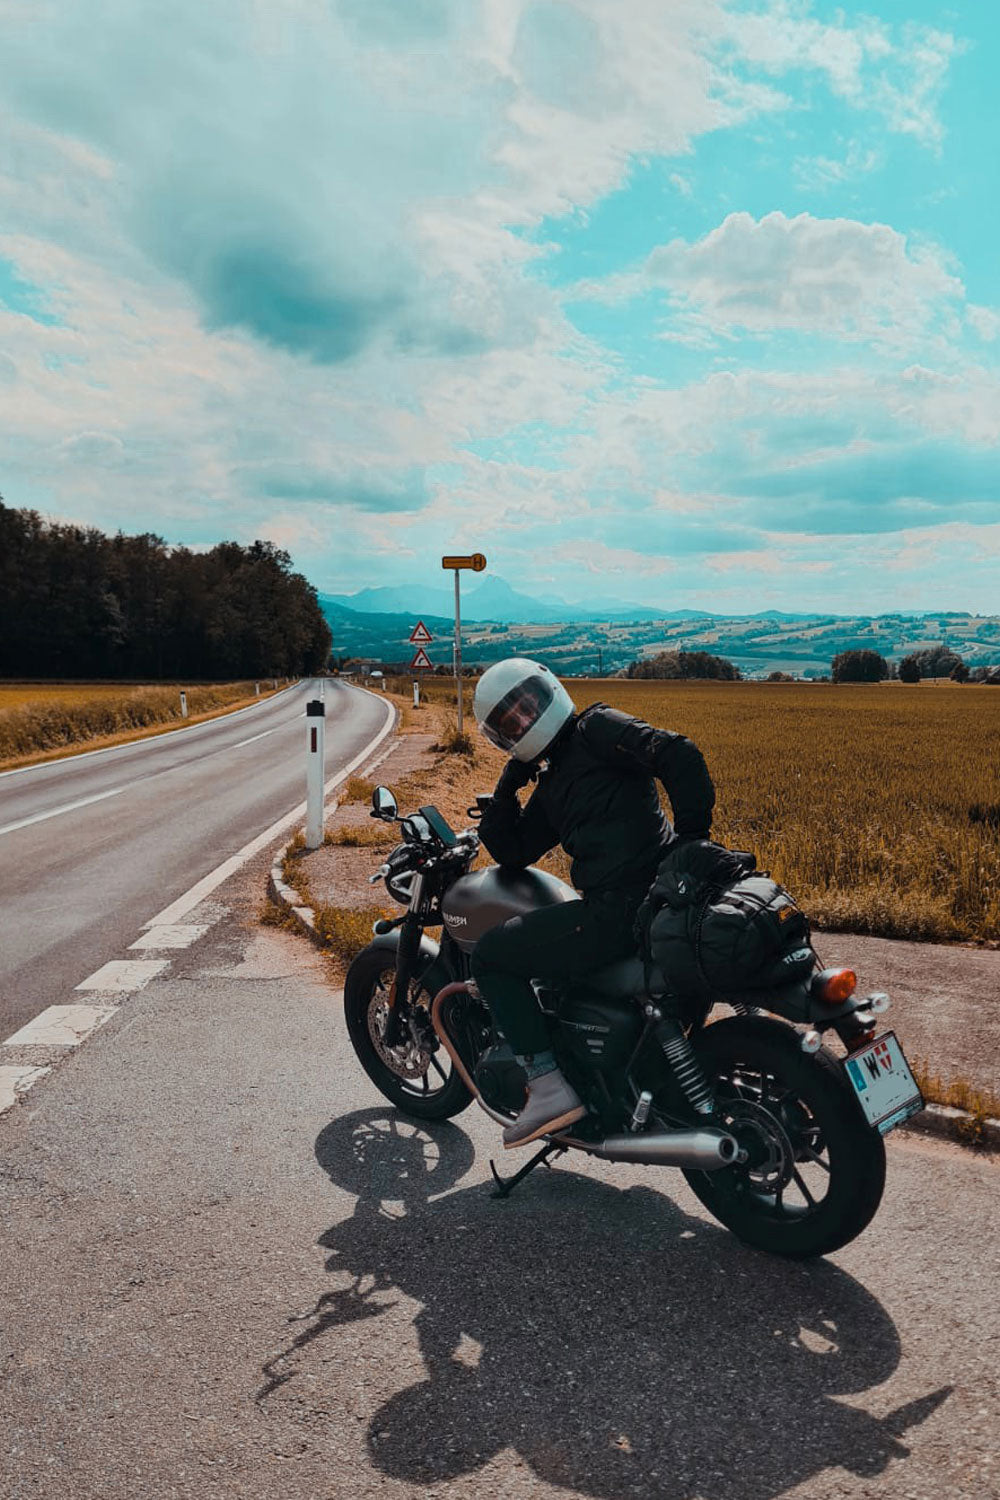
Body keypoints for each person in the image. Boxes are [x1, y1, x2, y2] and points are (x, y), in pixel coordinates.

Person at [470, 658, 716, 1149]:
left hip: (621, 911)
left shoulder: (596, 728)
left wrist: (691, 844)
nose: (522, 721)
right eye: (509, 721)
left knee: (492, 956)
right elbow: (515, 850)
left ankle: (546, 1086)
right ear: (502, 738)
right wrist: (508, 786)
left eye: (526, 706)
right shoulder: (554, 781)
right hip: (650, 905)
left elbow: (679, 754)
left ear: (550, 690)